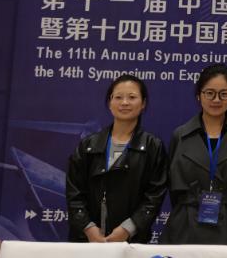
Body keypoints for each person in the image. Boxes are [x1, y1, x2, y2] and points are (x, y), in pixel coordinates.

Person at [66, 74, 169, 243]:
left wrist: (127, 229)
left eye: (132, 97)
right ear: (110, 102)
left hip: (131, 241)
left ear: (143, 103)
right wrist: (88, 228)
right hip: (87, 240)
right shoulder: (88, 145)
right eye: (118, 97)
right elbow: (74, 191)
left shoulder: (153, 146)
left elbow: (154, 196)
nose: (125, 103)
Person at [161, 64, 227, 244]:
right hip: (185, 224)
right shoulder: (180, 135)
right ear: (199, 95)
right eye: (209, 93)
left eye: (223, 94)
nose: (216, 100)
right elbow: (173, 189)